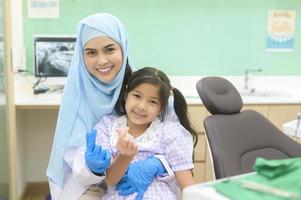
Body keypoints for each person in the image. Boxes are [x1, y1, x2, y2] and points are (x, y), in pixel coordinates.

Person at [46, 14, 174, 199]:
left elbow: (178, 148)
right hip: (91, 185)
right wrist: (92, 167)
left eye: (109, 49)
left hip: (147, 183)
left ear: (123, 48)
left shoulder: (144, 89)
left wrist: (158, 163)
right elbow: (76, 164)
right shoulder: (76, 100)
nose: (102, 61)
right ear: (81, 56)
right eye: (91, 52)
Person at [91, 66, 198, 199]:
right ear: (126, 95)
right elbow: (109, 181)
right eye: (137, 96)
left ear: (161, 108)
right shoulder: (107, 126)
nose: (142, 106)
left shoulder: (170, 132)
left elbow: (188, 187)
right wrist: (124, 156)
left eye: (152, 102)